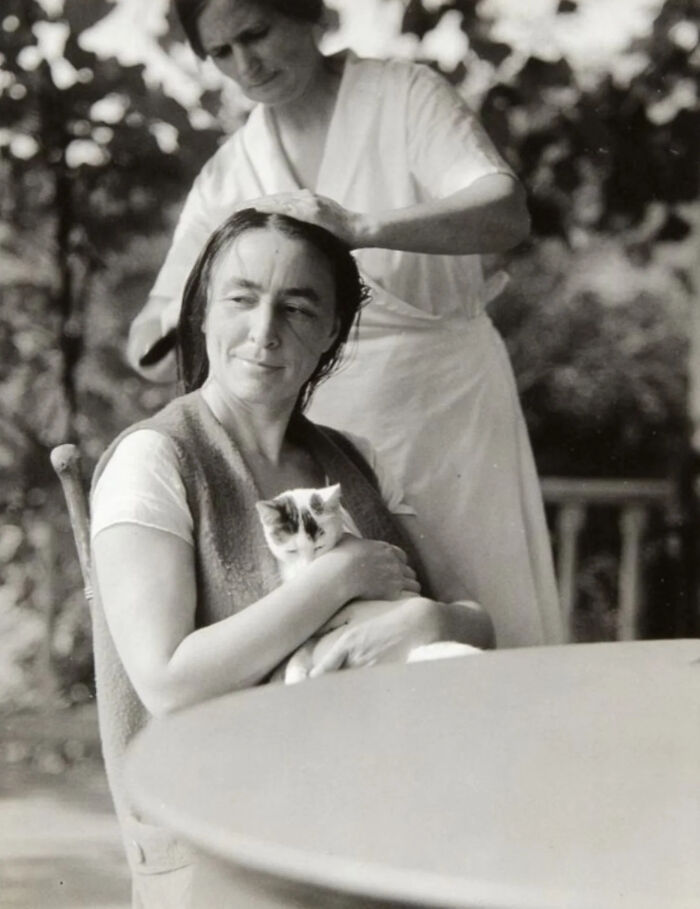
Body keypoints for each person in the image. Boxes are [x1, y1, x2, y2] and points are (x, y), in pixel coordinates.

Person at [126, 0, 564, 648]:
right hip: (326, 435)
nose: (245, 63)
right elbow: (147, 342)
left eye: (257, 33)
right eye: (221, 52)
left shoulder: (402, 95)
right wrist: (208, 302)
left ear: (307, 16)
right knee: (362, 633)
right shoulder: (231, 173)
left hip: (446, 409)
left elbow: (506, 212)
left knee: (483, 614)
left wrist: (363, 228)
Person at [91, 209, 494, 905]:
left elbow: (478, 622)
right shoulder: (156, 459)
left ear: (332, 330)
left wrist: (423, 624)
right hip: (220, 841)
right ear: (204, 311)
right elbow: (167, 681)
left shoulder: (356, 461)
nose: (264, 329)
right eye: (241, 298)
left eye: (298, 306)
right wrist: (341, 576)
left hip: (373, 819)